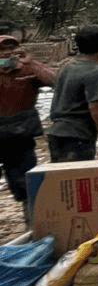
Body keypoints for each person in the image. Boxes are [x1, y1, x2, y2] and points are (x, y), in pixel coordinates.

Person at [46, 25, 98, 161]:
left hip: (57, 134)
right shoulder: (95, 72)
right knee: (77, 179)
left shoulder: (68, 66)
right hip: (77, 137)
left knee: (62, 179)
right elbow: (97, 107)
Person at [0, 33, 54, 205]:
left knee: (26, 186)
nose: (7, 53)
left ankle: (33, 225)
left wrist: (30, 62)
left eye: (12, 48)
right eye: (2, 50)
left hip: (20, 136)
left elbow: (56, 80)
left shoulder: (27, 68)